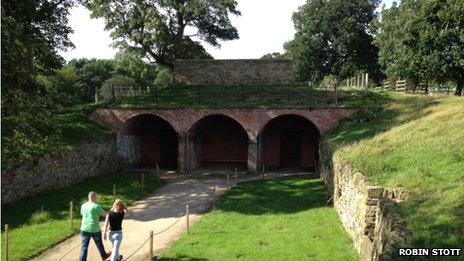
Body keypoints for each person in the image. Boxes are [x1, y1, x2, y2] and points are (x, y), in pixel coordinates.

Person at [80, 191, 111, 261]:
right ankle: (104, 256)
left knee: (84, 247)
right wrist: (110, 213)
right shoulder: (96, 206)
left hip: (84, 229)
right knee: (99, 244)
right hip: (95, 229)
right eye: (96, 197)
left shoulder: (83, 205)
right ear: (93, 197)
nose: (97, 198)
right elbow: (105, 215)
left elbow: (82, 216)